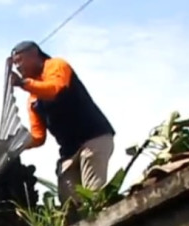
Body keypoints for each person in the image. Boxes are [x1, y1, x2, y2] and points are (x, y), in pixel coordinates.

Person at [8, 40, 115, 207]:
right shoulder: (32, 100)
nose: (18, 68)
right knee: (70, 203)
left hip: (94, 138)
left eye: (19, 61)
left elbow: (55, 89)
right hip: (69, 151)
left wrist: (22, 84)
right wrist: (15, 145)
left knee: (93, 197)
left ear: (34, 54)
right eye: (15, 64)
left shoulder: (56, 65)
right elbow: (38, 137)